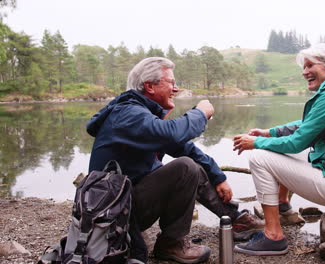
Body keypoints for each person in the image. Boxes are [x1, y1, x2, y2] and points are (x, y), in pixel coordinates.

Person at [86, 57, 263, 264]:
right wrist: (201, 113)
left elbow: (184, 147)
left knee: (190, 163)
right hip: (114, 213)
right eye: (171, 82)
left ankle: (235, 219)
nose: (176, 89)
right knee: (185, 168)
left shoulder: (140, 115)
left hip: (127, 204)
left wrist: (218, 176)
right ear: (150, 86)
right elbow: (173, 135)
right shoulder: (129, 114)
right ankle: (171, 243)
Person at [232, 43, 325, 256]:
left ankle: (273, 236)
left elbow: (297, 142)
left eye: (310, 65)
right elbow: (309, 124)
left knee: (259, 157)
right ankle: (283, 207)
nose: (304, 72)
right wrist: (270, 133)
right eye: (304, 66)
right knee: (276, 149)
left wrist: (255, 143)